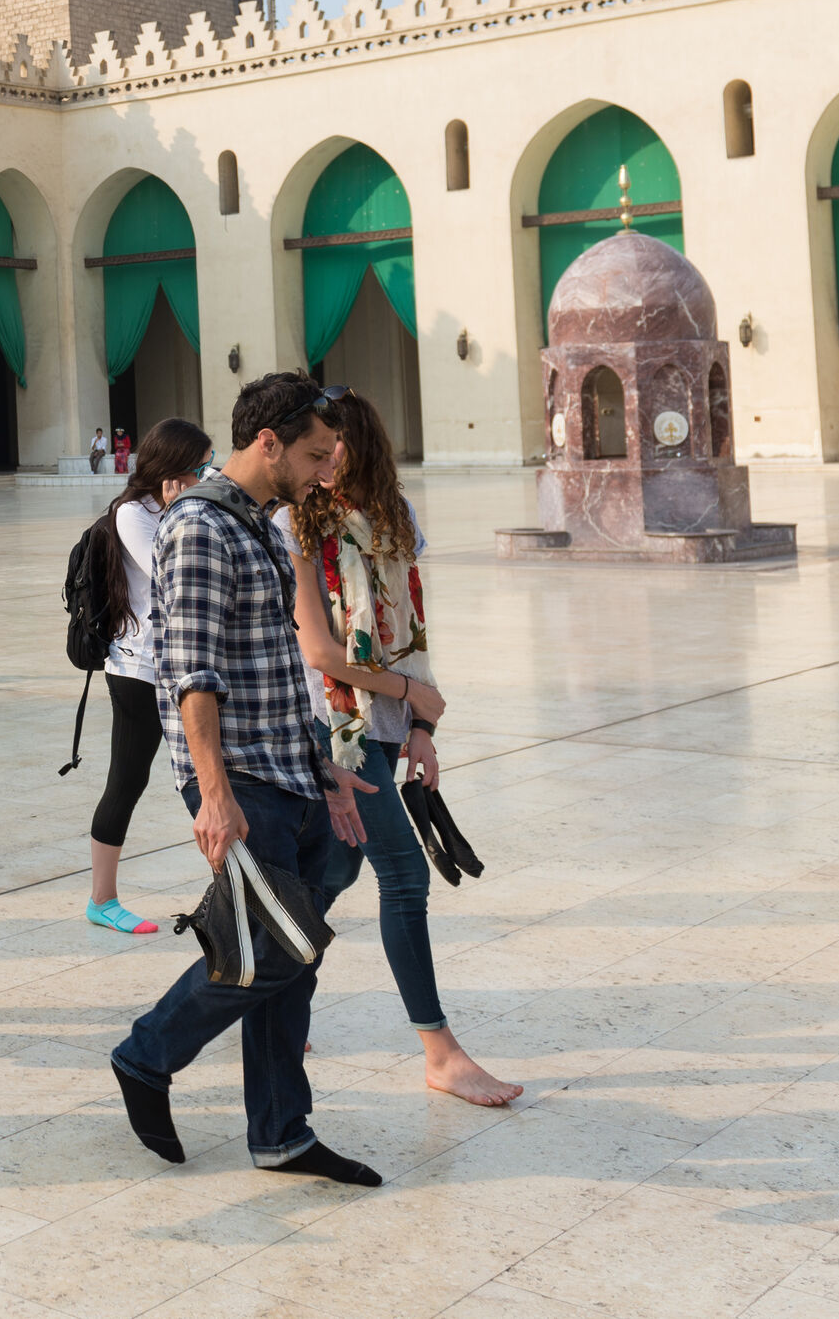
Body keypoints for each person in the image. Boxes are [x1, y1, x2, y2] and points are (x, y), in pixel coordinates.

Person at [108, 371, 381, 1186]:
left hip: (286, 768)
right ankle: (146, 1053)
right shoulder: (198, 527)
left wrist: (322, 764)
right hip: (236, 777)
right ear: (267, 443)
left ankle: (281, 1134)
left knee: (286, 953)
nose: (324, 470)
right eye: (312, 453)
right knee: (281, 949)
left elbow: (273, 666)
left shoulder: (261, 524)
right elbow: (190, 673)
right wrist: (213, 794)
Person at [286, 390, 521, 1108]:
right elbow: (319, 649)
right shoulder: (295, 523)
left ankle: (273, 1003)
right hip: (335, 726)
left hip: (385, 722)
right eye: (313, 450)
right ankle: (439, 1053)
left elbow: (411, 623)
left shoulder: (394, 518)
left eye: (332, 447)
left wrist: (420, 723)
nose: (322, 461)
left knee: (332, 872)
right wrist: (403, 694)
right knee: (402, 874)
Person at [84, 416, 214, 935]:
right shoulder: (132, 514)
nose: (208, 474)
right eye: (201, 466)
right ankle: (102, 899)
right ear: (175, 467)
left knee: (213, 776)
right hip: (139, 670)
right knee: (128, 780)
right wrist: (184, 508)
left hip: (187, 663)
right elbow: (172, 569)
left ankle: (242, 885)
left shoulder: (188, 505)